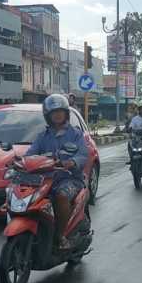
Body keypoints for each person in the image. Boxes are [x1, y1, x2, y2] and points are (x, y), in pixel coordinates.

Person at [26, 94, 90, 250]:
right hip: (46, 180)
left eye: (60, 112)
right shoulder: (43, 136)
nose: (57, 115)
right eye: (54, 113)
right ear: (48, 116)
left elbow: (83, 154)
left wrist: (72, 162)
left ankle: (61, 236)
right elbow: (30, 154)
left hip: (70, 179)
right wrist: (19, 162)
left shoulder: (75, 134)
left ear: (66, 113)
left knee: (61, 196)